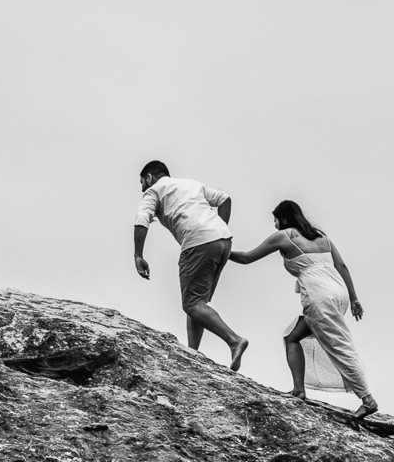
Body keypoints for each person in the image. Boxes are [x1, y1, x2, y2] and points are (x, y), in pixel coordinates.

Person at [229, 200, 378, 420]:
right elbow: (342, 266)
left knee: (339, 345)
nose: (275, 224)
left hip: (319, 296)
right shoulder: (321, 237)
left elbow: (247, 257)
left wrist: (220, 250)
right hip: (339, 294)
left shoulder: (285, 235)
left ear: (284, 218)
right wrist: (354, 299)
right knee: (292, 336)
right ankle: (299, 390)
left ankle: (368, 400)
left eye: (275, 219)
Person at [133, 161, 249, 370]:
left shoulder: (153, 191)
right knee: (198, 302)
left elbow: (142, 219)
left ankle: (234, 340)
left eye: (142, 183)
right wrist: (219, 228)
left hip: (198, 242)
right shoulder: (191, 184)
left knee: (192, 303)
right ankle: (192, 353)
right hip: (223, 241)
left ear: (149, 177)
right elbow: (224, 199)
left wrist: (138, 255)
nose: (143, 188)